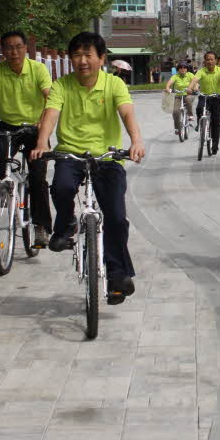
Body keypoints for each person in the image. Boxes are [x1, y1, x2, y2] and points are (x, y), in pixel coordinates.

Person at [31, 32, 146, 305]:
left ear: (102, 59)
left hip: (107, 157)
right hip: (70, 153)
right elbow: (51, 113)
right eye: (77, 55)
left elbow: (127, 112)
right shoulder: (62, 85)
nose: (82, 61)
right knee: (61, 187)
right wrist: (42, 142)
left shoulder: (114, 84)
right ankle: (67, 223)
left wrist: (136, 141)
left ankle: (117, 276)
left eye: (88, 55)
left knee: (116, 217)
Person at [0, 30, 54, 246]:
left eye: (18, 47)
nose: (14, 52)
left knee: (38, 178)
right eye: (9, 48)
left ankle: (41, 226)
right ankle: (4, 187)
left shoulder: (38, 69)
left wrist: (43, 121)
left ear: (25, 48)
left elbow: (49, 97)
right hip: (8, 127)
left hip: (34, 128)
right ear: (3, 51)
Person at [188, 51, 220, 155]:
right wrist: (189, 88)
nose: (210, 61)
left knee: (216, 121)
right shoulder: (201, 71)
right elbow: (195, 80)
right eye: (208, 59)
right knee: (199, 109)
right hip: (204, 96)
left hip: (216, 97)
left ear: (216, 60)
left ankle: (215, 144)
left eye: (212, 59)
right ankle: (200, 124)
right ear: (204, 61)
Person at [164, 62, 197, 138]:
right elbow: (169, 83)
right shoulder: (175, 76)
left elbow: (195, 83)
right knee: (175, 111)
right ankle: (177, 128)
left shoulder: (190, 75)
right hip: (178, 96)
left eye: (184, 68)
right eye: (181, 68)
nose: (183, 69)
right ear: (178, 69)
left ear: (187, 69)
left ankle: (190, 115)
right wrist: (168, 89)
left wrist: (195, 88)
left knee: (188, 99)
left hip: (188, 94)